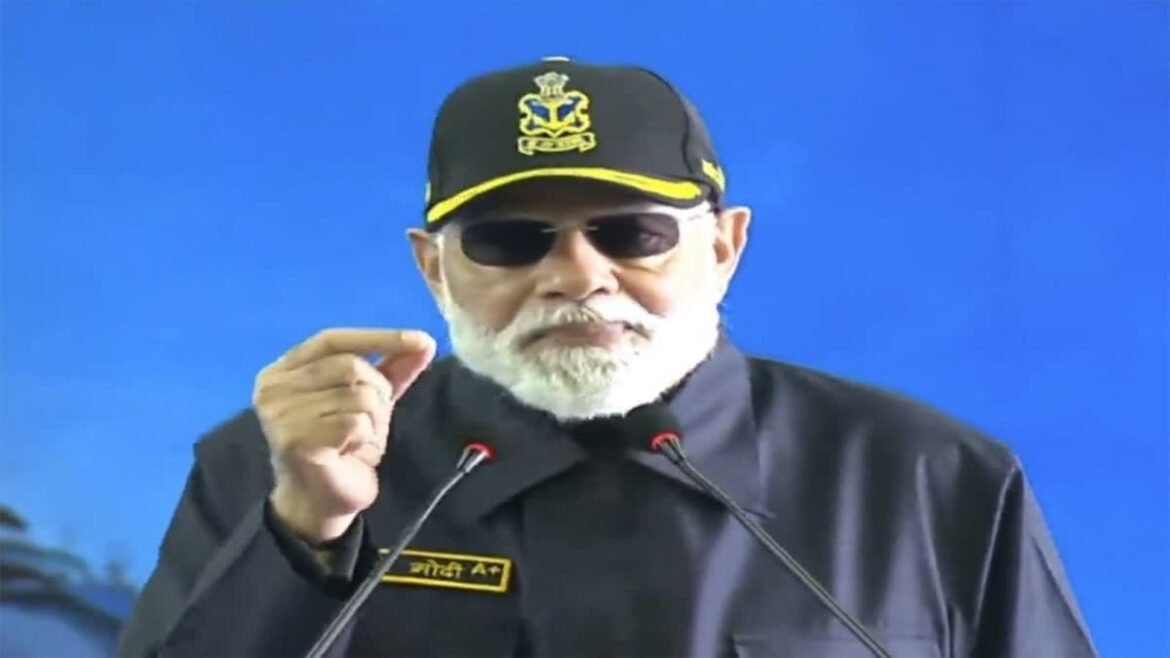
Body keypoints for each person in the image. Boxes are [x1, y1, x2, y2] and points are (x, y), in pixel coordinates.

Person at [117, 57, 1097, 658]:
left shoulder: (929, 480)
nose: (577, 276)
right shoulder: (276, 472)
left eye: (631, 233)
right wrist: (306, 538)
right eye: (510, 240)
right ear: (433, 269)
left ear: (726, 247)